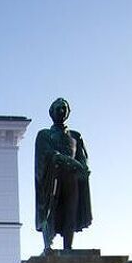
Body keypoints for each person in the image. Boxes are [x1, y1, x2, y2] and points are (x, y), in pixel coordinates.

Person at [34, 98, 92, 251]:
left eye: (64, 108)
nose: (61, 111)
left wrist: (83, 168)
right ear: (51, 112)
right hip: (52, 178)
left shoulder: (75, 136)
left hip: (72, 179)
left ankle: (68, 247)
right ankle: (48, 245)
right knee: (49, 210)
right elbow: (45, 155)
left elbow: (82, 157)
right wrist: (67, 160)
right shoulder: (45, 135)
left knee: (71, 212)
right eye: (58, 108)